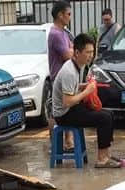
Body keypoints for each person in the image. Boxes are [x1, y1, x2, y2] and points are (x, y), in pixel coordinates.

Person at [53, 33, 120, 168]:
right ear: (77, 52)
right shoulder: (69, 71)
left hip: (72, 108)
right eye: (87, 52)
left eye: (92, 52)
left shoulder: (79, 65)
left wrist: (83, 86)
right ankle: (102, 159)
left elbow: (72, 88)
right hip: (64, 114)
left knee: (109, 114)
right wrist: (87, 91)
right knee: (103, 118)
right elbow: (67, 101)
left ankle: (106, 153)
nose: (90, 55)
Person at [48, 0, 75, 150]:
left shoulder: (64, 32)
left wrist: (72, 50)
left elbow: (73, 49)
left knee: (68, 108)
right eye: (68, 14)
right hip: (58, 78)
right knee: (58, 112)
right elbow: (68, 54)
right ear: (60, 15)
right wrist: (72, 50)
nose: (70, 17)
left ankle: (69, 141)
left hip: (65, 77)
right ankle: (56, 145)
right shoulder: (56, 34)